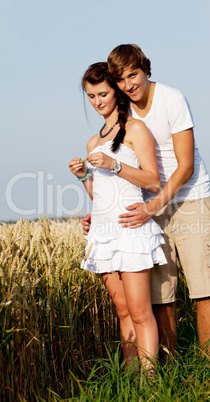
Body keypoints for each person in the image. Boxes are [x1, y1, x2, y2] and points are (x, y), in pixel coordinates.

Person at [82, 45, 210, 360]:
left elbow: (185, 165)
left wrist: (152, 205)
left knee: (205, 284)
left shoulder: (171, 99)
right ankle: (171, 365)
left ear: (146, 70)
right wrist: (103, 213)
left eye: (133, 75)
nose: (128, 84)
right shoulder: (123, 111)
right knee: (160, 292)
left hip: (190, 196)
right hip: (146, 206)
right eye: (120, 80)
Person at [69, 62, 168, 371]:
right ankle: (129, 380)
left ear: (116, 91)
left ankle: (151, 385)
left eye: (102, 93)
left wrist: (114, 165)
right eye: (90, 96)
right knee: (123, 311)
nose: (97, 102)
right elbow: (100, 195)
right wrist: (84, 176)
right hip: (104, 233)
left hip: (131, 229)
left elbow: (153, 181)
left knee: (140, 312)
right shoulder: (93, 141)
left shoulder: (136, 129)